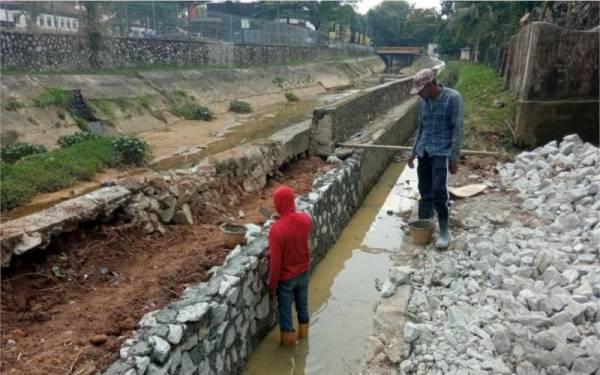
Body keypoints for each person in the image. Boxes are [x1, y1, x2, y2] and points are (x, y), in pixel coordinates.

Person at [407, 68, 464, 249]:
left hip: (442, 151)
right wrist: (413, 152)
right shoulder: (424, 102)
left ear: (431, 85)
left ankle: (445, 230)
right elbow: (421, 129)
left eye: (421, 91)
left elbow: (457, 129)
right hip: (424, 150)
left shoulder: (452, 98)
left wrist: (454, 157)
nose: (419, 95)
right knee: (424, 189)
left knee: (439, 190)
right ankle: (425, 224)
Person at [268, 186, 313, 347]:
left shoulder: (276, 230)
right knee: (303, 308)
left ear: (278, 204)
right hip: (303, 274)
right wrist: (284, 219)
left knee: (286, 315)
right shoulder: (305, 219)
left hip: (286, 280)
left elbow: (275, 264)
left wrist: (272, 287)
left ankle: (289, 351)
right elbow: (303, 228)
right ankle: (304, 338)